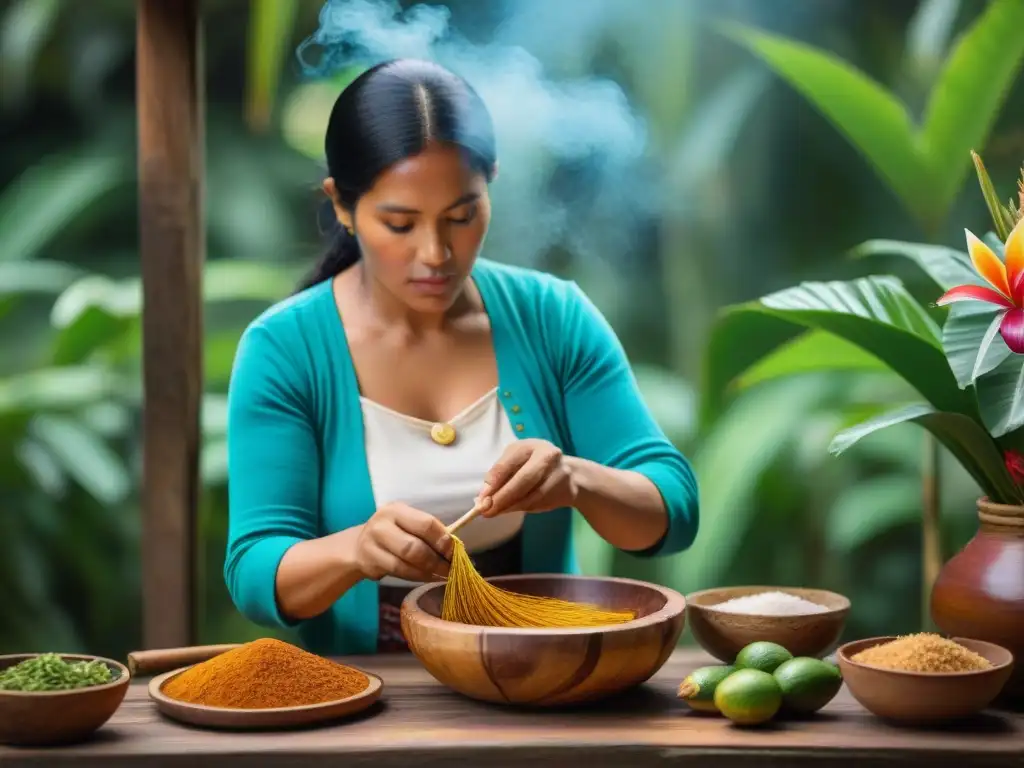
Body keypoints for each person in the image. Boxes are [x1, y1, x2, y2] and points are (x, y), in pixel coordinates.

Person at [224, 58, 699, 656]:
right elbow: (253, 568)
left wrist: (577, 479)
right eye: (399, 224)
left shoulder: (551, 318)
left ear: (491, 184)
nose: (436, 253)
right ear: (342, 207)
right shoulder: (285, 350)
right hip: (366, 697)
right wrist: (355, 550)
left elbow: (673, 507)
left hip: (541, 678)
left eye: (461, 216)